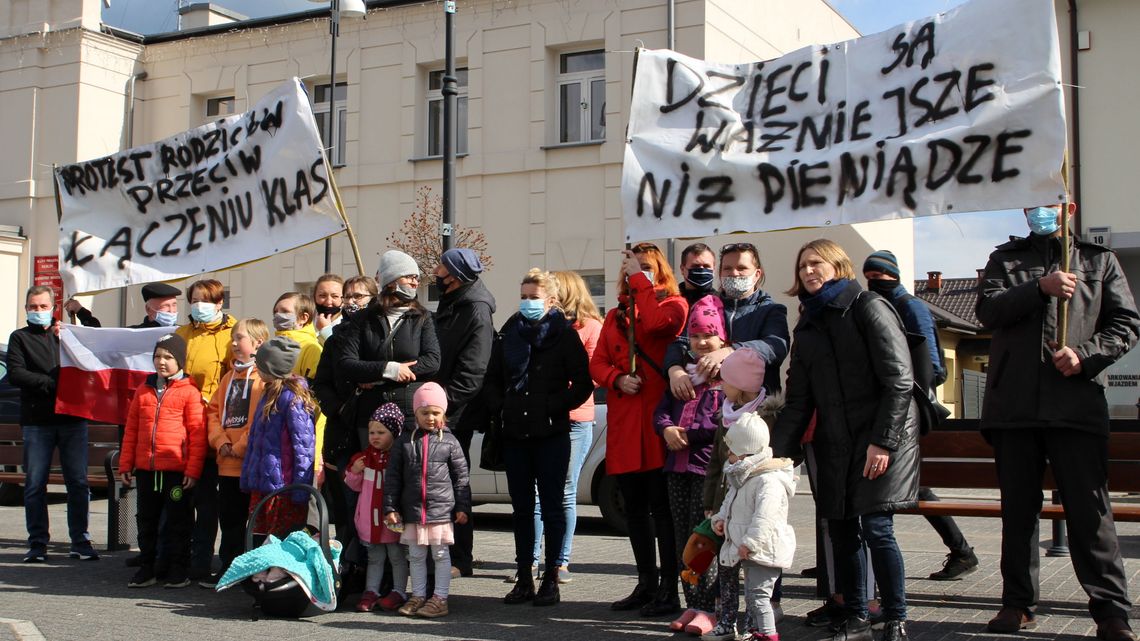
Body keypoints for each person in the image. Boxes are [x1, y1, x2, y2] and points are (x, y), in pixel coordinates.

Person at [976, 203, 1139, 641]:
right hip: (1014, 409)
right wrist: (1040, 288)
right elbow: (988, 312)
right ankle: (1018, 604)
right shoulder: (1005, 259)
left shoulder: (1098, 260)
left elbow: (1126, 323)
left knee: (1091, 514)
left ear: (1069, 207)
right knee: (1019, 513)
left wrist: (1085, 356)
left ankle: (1110, 612)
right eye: (1031, 206)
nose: (1037, 212)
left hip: (1076, 408)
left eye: (1047, 205)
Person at [771, 239, 919, 641]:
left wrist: (883, 443)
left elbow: (899, 381)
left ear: (839, 266)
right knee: (840, 528)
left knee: (875, 526)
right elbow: (798, 399)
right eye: (802, 266)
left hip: (885, 437)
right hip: (836, 439)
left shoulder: (868, 306)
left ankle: (894, 617)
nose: (808, 272)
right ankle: (855, 615)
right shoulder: (807, 323)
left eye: (816, 263)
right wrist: (774, 457)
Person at [863, 249, 977, 581]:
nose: (873, 283)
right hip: (886, 411)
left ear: (894, 276)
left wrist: (903, 391)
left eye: (879, 277)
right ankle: (961, 551)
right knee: (915, 487)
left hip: (905, 413)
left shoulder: (910, 306)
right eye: (869, 278)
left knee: (914, 487)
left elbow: (934, 366)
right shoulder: (880, 305)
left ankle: (962, 550)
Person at [483, 268, 593, 606]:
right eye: (524, 295)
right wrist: (502, 407)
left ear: (551, 300)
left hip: (551, 433)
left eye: (534, 297)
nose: (527, 302)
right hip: (516, 433)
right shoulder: (509, 332)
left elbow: (583, 384)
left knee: (553, 506)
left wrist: (552, 406)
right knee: (521, 508)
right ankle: (525, 576)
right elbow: (492, 379)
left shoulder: (564, 335)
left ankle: (552, 577)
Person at [591, 243, 689, 616]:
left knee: (662, 512)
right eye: (633, 266)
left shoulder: (674, 305)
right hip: (625, 427)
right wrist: (616, 379)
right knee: (634, 512)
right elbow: (597, 363)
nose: (638, 271)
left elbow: (657, 324)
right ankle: (646, 582)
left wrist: (640, 280)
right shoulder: (615, 315)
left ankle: (670, 587)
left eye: (647, 266)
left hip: (656, 427)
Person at [6, 285, 98, 562]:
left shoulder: (67, 333)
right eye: (33, 307)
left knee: (78, 483)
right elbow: (16, 373)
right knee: (35, 484)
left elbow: (97, 333)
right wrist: (52, 384)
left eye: (43, 307)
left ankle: (80, 540)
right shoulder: (19, 337)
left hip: (72, 419)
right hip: (37, 421)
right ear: (26, 309)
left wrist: (79, 312)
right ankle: (37, 543)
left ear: (53, 307)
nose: (38, 312)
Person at [654, 293, 727, 635]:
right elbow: (662, 410)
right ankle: (692, 603)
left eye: (707, 336)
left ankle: (710, 608)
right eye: (695, 336)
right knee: (684, 539)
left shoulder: (725, 377)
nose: (700, 342)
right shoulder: (682, 374)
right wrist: (667, 427)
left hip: (704, 470)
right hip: (676, 468)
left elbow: (719, 423)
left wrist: (689, 433)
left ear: (722, 338)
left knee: (705, 541)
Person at [529, 270, 603, 584]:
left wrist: (555, 388)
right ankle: (531, 560)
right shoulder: (543, 326)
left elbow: (593, 375)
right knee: (536, 493)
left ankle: (560, 561)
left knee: (565, 492)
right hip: (542, 417)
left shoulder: (589, 327)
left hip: (574, 418)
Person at [120, 334, 207, 588]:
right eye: (157, 356)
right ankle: (147, 567)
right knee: (146, 519)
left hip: (176, 471)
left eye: (168, 357)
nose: (161, 362)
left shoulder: (189, 393)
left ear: (180, 360)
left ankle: (178, 568)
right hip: (147, 469)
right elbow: (132, 430)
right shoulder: (144, 390)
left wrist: (192, 470)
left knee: (179, 521)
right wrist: (126, 464)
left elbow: (197, 435)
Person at [702, 347, 776, 641]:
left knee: (754, 577)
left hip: (751, 513)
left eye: (726, 381)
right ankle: (726, 621)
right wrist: (711, 504)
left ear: (743, 386)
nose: (720, 386)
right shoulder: (726, 416)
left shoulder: (763, 420)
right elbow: (715, 465)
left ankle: (754, 625)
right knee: (726, 569)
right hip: (726, 508)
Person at [432, 247, 496, 578]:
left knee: (456, 484)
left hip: (455, 413)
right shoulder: (455, 303)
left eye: (440, 268)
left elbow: (473, 371)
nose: (435, 273)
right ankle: (446, 552)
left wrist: (444, 405)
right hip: (443, 409)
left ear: (455, 276)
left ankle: (460, 557)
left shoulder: (475, 310)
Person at [384, 382, 471, 619]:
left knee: (441, 556)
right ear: (416, 413)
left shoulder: (450, 441)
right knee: (416, 556)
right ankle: (418, 595)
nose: (430, 418)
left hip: (441, 512)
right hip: (412, 512)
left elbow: (461, 477)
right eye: (425, 413)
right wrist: (390, 507)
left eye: (436, 412)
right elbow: (392, 477)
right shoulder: (404, 442)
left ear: (443, 413)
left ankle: (440, 598)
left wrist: (463, 506)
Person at [666, 242, 789, 402]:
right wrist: (675, 370)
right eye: (727, 268)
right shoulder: (706, 305)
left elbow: (775, 346)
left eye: (742, 268)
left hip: (755, 405)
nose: (734, 273)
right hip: (709, 408)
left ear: (757, 274)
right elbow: (681, 342)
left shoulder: (770, 310)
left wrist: (729, 352)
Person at [711, 411, 796, 641]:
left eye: (732, 451)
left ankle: (767, 635)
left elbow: (765, 517)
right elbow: (729, 503)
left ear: (745, 452)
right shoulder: (743, 475)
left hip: (760, 549)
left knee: (759, 597)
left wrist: (751, 542)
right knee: (752, 595)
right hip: (740, 545)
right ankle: (757, 632)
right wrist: (719, 519)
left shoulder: (768, 480)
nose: (728, 454)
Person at [339, 250, 441, 437]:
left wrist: (375, 375)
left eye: (416, 278)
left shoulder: (422, 317)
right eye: (409, 277)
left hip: (409, 413)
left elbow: (432, 361)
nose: (415, 283)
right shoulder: (362, 319)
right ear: (392, 281)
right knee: (373, 466)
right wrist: (390, 369)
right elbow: (347, 363)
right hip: (371, 417)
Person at [313, 275, 379, 551]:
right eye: (348, 296)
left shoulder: (380, 335)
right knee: (344, 506)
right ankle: (347, 563)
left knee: (372, 504)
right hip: (343, 429)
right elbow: (322, 383)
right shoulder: (335, 339)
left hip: (373, 430)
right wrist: (338, 408)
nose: (352, 302)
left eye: (359, 296)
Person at [176, 278, 235, 580]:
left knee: (215, 502)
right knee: (189, 497)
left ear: (220, 302)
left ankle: (216, 562)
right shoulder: (182, 334)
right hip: (187, 424)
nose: (199, 305)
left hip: (220, 426)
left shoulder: (233, 332)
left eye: (206, 300)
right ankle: (187, 560)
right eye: (195, 299)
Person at [201, 318, 267, 588]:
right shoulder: (228, 377)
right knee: (229, 519)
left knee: (253, 521)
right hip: (226, 462)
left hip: (249, 463)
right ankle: (228, 566)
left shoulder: (263, 379)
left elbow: (261, 418)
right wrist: (221, 442)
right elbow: (213, 412)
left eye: (239, 338)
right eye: (233, 338)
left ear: (257, 343)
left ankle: (252, 569)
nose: (234, 343)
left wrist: (240, 447)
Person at [240, 336, 316, 538]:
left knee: (279, 541)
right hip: (264, 485)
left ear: (272, 368)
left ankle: (278, 571)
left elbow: (304, 447)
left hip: (284, 489)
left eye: (261, 365)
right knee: (258, 537)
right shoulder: (267, 394)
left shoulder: (292, 398)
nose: (256, 368)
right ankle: (261, 571)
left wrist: (301, 488)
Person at [345, 402, 409, 613]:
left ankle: (399, 590)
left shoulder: (398, 458)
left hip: (391, 519)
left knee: (397, 556)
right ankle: (371, 590)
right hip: (369, 521)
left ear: (395, 432)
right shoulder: (363, 458)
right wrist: (355, 471)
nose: (375, 436)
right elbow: (353, 486)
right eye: (372, 431)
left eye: (381, 432)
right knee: (374, 557)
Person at [272, 292, 323, 380]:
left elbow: (311, 388)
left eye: (285, 311)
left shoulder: (311, 348)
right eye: (276, 312)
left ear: (303, 318)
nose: (278, 315)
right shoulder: (272, 344)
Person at [678, 243, 718, 307]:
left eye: (706, 266)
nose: (702, 269)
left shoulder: (721, 303)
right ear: (682, 269)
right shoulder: (671, 301)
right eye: (695, 266)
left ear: (714, 270)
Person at [312, 273, 345, 344]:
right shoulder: (304, 321)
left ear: (343, 299)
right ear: (314, 297)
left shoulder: (350, 326)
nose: (328, 302)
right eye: (322, 296)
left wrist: (325, 330)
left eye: (335, 296)